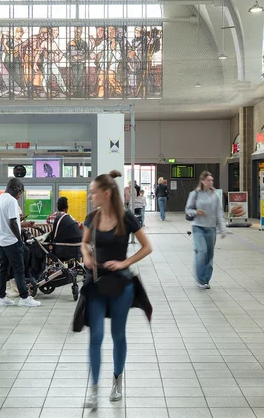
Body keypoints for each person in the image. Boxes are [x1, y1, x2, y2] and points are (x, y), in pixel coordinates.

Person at [83, 170, 153, 410]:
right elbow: (83, 242)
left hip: (121, 284)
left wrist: (124, 263)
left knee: (118, 335)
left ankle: (117, 380)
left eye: (93, 192)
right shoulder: (92, 217)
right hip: (96, 282)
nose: (90, 196)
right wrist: (86, 255)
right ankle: (93, 390)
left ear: (106, 193)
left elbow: (147, 247)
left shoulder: (125, 218)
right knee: (96, 336)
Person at [0, 178, 41, 307]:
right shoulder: (11, 201)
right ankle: (25, 297)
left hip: (0, 240)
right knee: (19, 269)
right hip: (11, 241)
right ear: (15, 188)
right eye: (20, 192)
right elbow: (13, 222)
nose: (20, 195)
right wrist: (19, 239)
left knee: (3, 269)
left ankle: (1, 297)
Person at [185, 171, 227, 289]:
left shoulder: (215, 196)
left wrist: (222, 229)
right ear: (202, 181)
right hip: (198, 227)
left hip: (211, 228)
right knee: (201, 251)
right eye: (208, 180)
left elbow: (219, 213)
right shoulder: (195, 194)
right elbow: (188, 209)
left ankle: (206, 280)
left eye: (212, 180)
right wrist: (196, 212)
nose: (210, 182)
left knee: (209, 255)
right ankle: (199, 279)